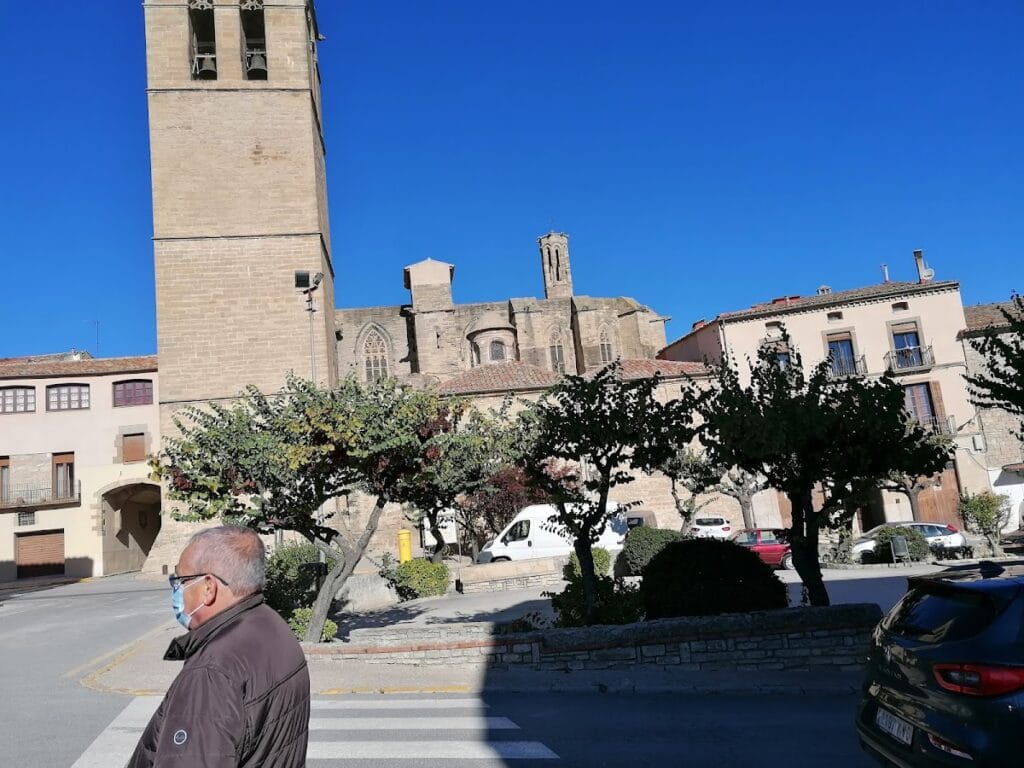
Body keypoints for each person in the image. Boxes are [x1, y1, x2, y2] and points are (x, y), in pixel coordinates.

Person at [128, 525, 310, 767]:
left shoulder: (211, 673)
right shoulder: (271, 624)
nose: (177, 591)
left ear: (208, 588)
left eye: (180, 581)